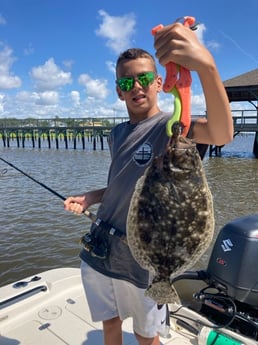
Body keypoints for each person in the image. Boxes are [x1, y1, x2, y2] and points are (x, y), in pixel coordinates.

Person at [64, 21, 233, 345]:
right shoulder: (116, 133)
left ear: (159, 83)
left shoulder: (173, 128)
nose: (136, 86)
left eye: (143, 78)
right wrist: (90, 198)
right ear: (118, 89)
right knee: (110, 325)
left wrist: (206, 67)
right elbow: (120, 185)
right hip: (100, 250)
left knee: (146, 336)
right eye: (127, 81)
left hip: (143, 263)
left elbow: (222, 133)